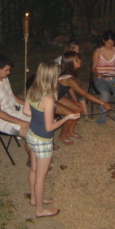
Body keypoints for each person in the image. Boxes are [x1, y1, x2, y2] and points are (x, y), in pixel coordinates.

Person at [23, 61, 80, 218]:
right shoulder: (48, 99)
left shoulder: (32, 89)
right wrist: (66, 117)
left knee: (34, 170)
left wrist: (39, 116)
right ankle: (40, 210)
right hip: (42, 140)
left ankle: (35, 199)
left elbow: (26, 110)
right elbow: (50, 127)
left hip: (31, 134)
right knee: (41, 175)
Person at [0, 54, 31, 157]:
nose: (9, 72)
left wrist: (26, 104)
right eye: (7, 70)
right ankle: (32, 160)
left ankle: (45, 146)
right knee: (33, 136)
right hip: (4, 121)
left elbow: (11, 96)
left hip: (15, 110)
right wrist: (21, 122)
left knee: (41, 117)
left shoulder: (3, 78)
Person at [58, 51, 113, 135]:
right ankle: (62, 136)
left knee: (78, 108)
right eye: (76, 60)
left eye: (79, 59)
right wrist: (103, 103)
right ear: (70, 63)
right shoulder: (69, 78)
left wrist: (76, 100)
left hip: (59, 96)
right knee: (71, 114)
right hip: (50, 100)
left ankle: (71, 131)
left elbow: (69, 88)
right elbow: (85, 94)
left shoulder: (68, 75)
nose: (80, 61)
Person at [91, 30, 115, 125]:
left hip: (112, 77)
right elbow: (93, 68)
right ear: (104, 41)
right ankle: (102, 118)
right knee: (105, 93)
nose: (110, 44)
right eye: (108, 42)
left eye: (112, 42)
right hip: (100, 78)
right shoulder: (98, 52)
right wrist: (97, 73)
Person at [55, 40, 90, 119]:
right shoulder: (63, 60)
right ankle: (83, 114)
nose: (77, 52)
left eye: (78, 50)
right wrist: (102, 102)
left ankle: (85, 114)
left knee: (79, 94)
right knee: (79, 93)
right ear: (69, 49)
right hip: (58, 86)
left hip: (66, 85)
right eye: (75, 50)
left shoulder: (74, 61)